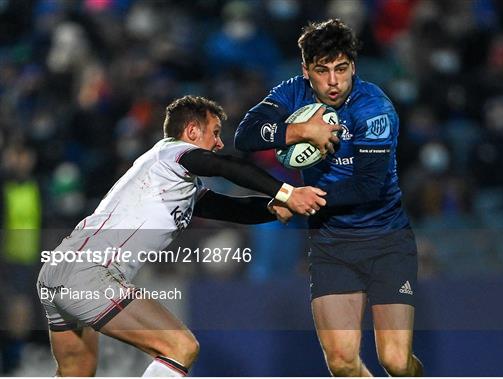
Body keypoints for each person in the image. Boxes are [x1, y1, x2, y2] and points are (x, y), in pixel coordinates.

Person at [36, 95, 326, 377]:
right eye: (214, 133)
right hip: (90, 272)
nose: (219, 143)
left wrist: (276, 208)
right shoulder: (171, 153)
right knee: (180, 347)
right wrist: (286, 191)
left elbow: (230, 209)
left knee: (77, 373)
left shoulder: (171, 179)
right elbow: (226, 167)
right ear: (191, 131)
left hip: (59, 268)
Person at [235, 19, 423, 376]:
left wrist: (297, 198)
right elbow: (245, 136)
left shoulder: (374, 109)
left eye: (341, 68)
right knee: (341, 362)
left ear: (354, 66)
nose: (333, 81)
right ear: (306, 71)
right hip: (331, 244)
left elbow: (367, 187)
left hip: (386, 242)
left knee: (396, 362)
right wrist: (301, 130)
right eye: (322, 71)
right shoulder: (293, 94)